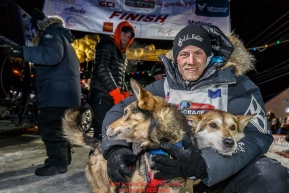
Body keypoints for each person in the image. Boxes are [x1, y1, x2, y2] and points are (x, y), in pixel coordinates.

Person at [100, 24, 289, 192]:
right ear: (176, 58)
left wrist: (204, 165)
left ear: (208, 56)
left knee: (271, 177)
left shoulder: (236, 85)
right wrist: (115, 149)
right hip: (172, 173)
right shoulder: (162, 87)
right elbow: (119, 111)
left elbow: (257, 136)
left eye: (198, 53)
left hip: (222, 174)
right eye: (184, 54)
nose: (191, 61)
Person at [2, 8, 81, 176]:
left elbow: (52, 55)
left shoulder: (50, 34)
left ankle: (56, 163)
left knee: (49, 127)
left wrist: (21, 51)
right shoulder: (63, 37)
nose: (35, 36)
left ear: (39, 27)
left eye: (34, 32)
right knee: (61, 128)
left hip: (56, 95)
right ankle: (63, 160)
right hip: (67, 95)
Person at [89, 21, 135, 140]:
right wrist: (115, 93)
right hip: (101, 95)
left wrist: (125, 93)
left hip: (112, 97)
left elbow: (120, 76)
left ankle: (107, 157)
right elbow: (101, 68)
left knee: (111, 129)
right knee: (101, 129)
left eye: (129, 37)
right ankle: (96, 157)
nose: (126, 38)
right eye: (124, 35)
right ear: (118, 33)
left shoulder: (122, 54)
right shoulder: (106, 45)